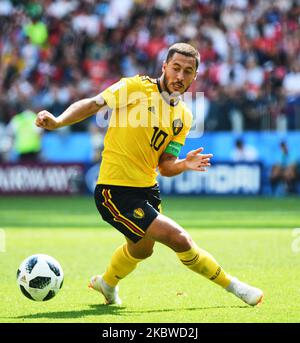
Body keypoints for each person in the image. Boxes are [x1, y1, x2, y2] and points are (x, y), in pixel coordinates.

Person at [35, 43, 263, 307]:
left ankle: (107, 284)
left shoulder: (184, 118)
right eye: (176, 68)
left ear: (195, 77)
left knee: (142, 249)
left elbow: (166, 166)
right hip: (114, 190)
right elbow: (95, 103)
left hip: (147, 190)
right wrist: (59, 121)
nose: (180, 76)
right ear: (164, 67)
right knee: (179, 239)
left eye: (187, 71)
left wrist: (184, 164)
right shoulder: (135, 87)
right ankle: (235, 287)